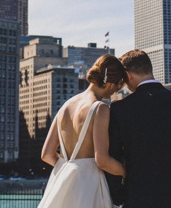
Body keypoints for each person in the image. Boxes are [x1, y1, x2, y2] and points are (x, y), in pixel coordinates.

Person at [106, 49, 171, 207]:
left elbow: (113, 155)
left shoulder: (120, 109)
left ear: (128, 75)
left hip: (138, 199)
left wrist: (120, 197)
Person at [37, 54, 127, 208]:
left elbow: (46, 154)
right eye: (118, 86)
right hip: (90, 187)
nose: (114, 92)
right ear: (112, 84)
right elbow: (102, 160)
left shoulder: (66, 106)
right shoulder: (100, 109)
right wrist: (127, 172)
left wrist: (70, 170)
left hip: (60, 186)